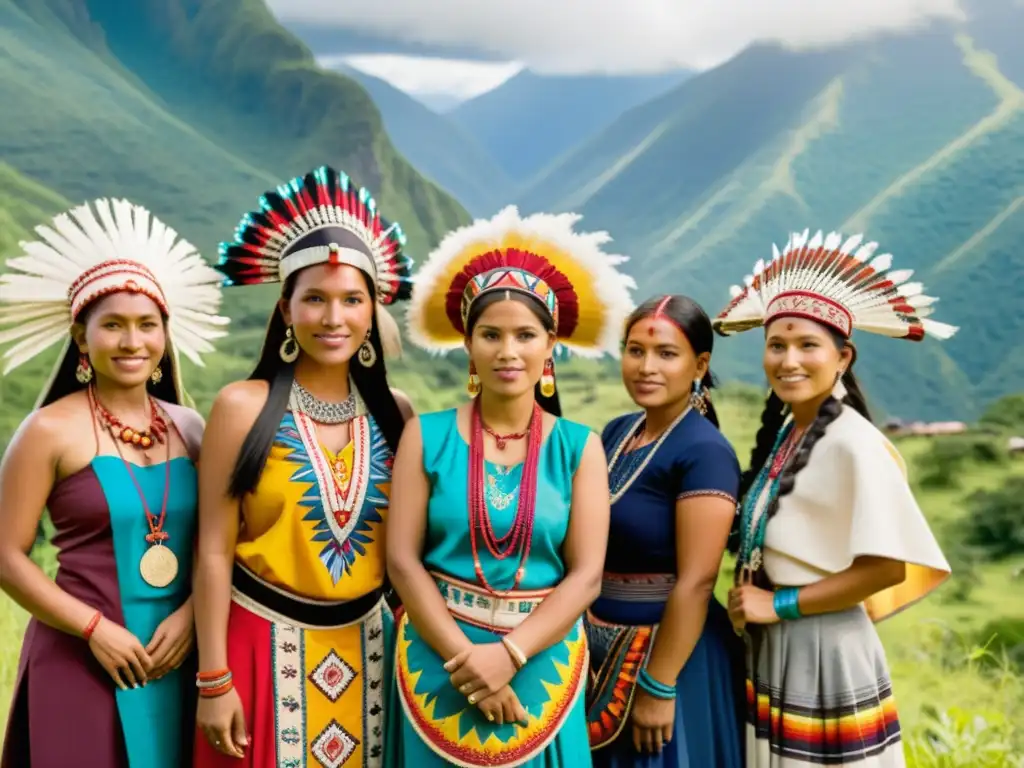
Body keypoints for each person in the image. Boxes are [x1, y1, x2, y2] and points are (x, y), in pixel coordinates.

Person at [386, 205, 636, 767]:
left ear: (551, 346)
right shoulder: (423, 438)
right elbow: (403, 562)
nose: (508, 351)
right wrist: (470, 662)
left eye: (525, 335)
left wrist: (510, 654)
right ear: (468, 345)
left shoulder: (579, 447)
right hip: (438, 660)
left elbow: (586, 575)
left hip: (542, 665)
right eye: (490, 334)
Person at [192, 166, 415, 767]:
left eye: (351, 300)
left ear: (373, 311)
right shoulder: (242, 407)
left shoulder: (397, 415)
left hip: (372, 650)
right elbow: (213, 549)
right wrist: (214, 679)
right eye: (314, 298)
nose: (333, 317)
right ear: (286, 309)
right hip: (257, 646)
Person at [0, 198, 229, 768]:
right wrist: (95, 628)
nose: (132, 342)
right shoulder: (47, 430)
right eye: (113, 326)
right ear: (82, 337)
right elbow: (6, 555)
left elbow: (219, 542)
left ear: (164, 335)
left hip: (179, 660)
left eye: (147, 324)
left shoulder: (194, 428)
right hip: (79, 658)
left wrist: (190, 617)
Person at [713, 229, 955, 767]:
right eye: (776, 345)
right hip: (779, 647)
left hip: (823, 652)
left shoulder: (856, 444)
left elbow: (886, 568)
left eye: (807, 346)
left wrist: (777, 604)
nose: (788, 360)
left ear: (843, 357)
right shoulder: (788, 434)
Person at [587, 295, 745, 767]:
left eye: (666, 354)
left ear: (699, 364)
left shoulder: (706, 452)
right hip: (601, 651)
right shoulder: (617, 432)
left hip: (672, 659)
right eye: (635, 351)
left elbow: (697, 581)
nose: (646, 366)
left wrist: (659, 685)